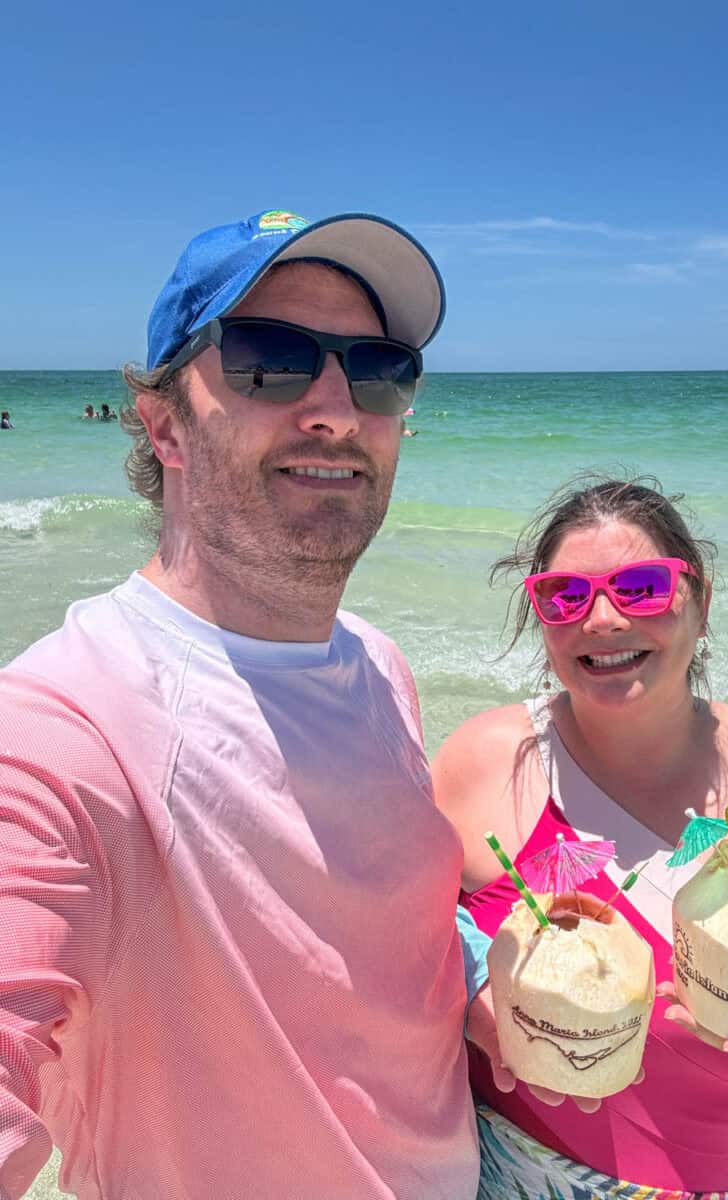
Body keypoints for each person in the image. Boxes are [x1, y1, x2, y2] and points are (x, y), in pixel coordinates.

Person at [0, 206, 513, 1200]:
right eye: (270, 360)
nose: (335, 407)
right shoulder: (61, 727)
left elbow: (359, 957)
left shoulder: (378, 665)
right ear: (164, 429)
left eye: (378, 369)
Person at [433, 475, 728, 1200]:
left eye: (643, 587)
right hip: (491, 1174)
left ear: (701, 601)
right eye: (565, 597)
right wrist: (469, 994)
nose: (604, 620)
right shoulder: (482, 762)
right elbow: (386, 953)